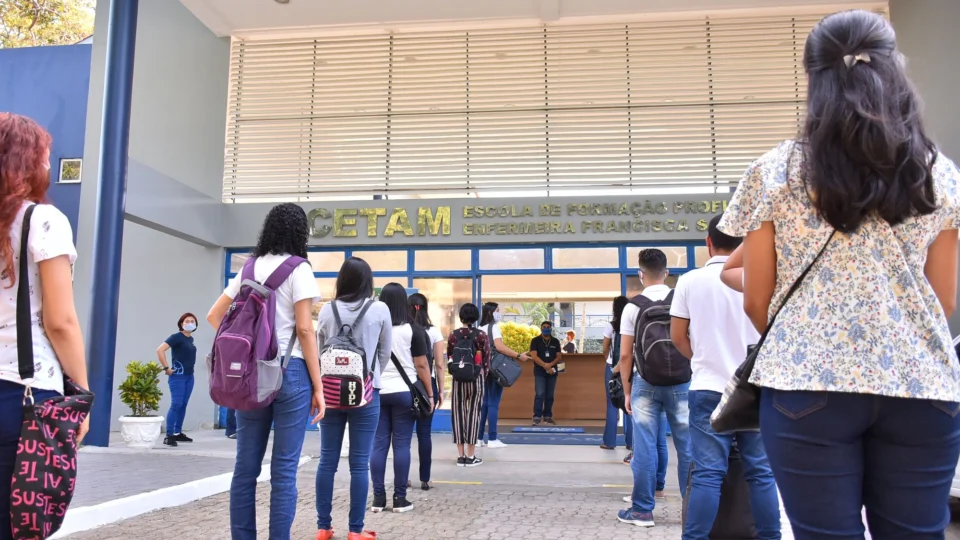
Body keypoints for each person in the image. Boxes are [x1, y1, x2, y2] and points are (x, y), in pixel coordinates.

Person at [718, 10, 960, 538]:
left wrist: (809, 342)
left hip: (806, 385)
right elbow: (941, 300)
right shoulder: (938, 173)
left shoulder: (777, 170)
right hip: (922, 383)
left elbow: (755, 299)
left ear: (815, 78)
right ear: (894, 69)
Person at [206, 203, 324, 540]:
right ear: (300, 233)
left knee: (245, 468)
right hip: (290, 373)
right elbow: (304, 330)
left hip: (249, 377)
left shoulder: (249, 268)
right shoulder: (299, 269)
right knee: (284, 470)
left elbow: (216, 316)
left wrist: (248, 345)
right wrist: (318, 387)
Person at [0, 113, 90, 540]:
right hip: (24, 397)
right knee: (19, 523)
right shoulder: (43, 220)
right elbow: (60, 321)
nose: (50, 167)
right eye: (46, 157)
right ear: (27, 162)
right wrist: (83, 395)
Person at [671, 216, 781, 540]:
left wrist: (703, 360)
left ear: (709, 242)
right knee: (761, 473)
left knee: (707, 473)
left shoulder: (690, 281)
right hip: (756, 390)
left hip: (708, 388)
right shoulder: (764, 280)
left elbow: (678, 337)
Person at [314, 257, 391, 540]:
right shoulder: (379, 308)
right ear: (367, 281)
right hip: (367, 394)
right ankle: (355, 531)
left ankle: (323, 527)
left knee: (327, 460)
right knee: (359, 463)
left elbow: (321, 351)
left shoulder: (326, 310)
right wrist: (368, 378)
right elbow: (384, 353)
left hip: (330, 393)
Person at [618, 248, 690, 528]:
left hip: (645, 383)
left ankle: (643, 511)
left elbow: (625, 355)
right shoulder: (682, 300)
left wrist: (627, 390)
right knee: (687, 447)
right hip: (683, 383)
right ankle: (692, 510)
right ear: (667, 272)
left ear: (640, 274)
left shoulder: (633, 307)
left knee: (645, 446)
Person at [370, 283, 433, 513]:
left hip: (378, 392)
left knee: (378, 445)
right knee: (402, 445)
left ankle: (378, 499)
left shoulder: (375, 327)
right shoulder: (413, 329)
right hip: (404, 393)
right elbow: (422, 364)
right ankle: (399, 499)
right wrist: (430, 392)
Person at [478, 302, 530, 448]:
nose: (499, 313)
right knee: (493, 403)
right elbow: (500, 347)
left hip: (484, 368)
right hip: (496, 370)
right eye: (497, 310)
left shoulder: (479, 328)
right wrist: (519, 355)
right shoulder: (493, 327)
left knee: (485, 404)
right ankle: (493, 439)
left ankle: (479, 438)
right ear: (491, 313)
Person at [409, 293, 446, 490]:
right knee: (424, 433)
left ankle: (403, 478)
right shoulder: (433, 332)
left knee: (402, 435)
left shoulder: (401, 329)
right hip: (426, 385)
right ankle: (425, 478)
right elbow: (439, 364)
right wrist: (439, 391)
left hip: (405, 383)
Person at [447, 303, 490, 466]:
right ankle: (471, 456)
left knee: (458, 414)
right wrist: (482, 376)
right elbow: (486, 360)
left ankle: (460, 455)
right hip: (475, 378)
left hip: (458, 379)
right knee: (473, 415)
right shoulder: (481, 335)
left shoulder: (453, 335)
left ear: (461, 316)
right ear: (476, 316)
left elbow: (450, 356)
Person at [157, 312, 199, 447]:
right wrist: (166, 368)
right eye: (187, 321)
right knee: (176, 404)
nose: (190, 323)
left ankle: (177, 432)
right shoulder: (176, 337)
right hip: (178, 377)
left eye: (192, 321)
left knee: (183, 405)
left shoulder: (190, 339)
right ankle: (169, 436)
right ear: (181, 324)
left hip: (189, 376)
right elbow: (160, 350)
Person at [601, 296, 631, 450]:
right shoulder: (631, 324)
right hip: (628, 367)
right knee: (629, 402)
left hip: (611, 368)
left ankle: (609, 442)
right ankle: (631, 443)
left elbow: (605, 346)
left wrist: (609, 359)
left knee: (612, 404)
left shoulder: (610, 325)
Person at [529, 320, 562, 426]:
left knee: (550, 395)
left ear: (551, 328)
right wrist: (545, 365)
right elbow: (534, 356)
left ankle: (548, 417)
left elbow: (558, 356)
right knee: (540, 394)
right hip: (539, 371)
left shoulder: (555, 341)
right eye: (544, 327)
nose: (546, 328)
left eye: (548, 327)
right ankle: (537, 417)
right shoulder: (535, 341)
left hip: (552, 371)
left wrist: (550, 365)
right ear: (541, 328)